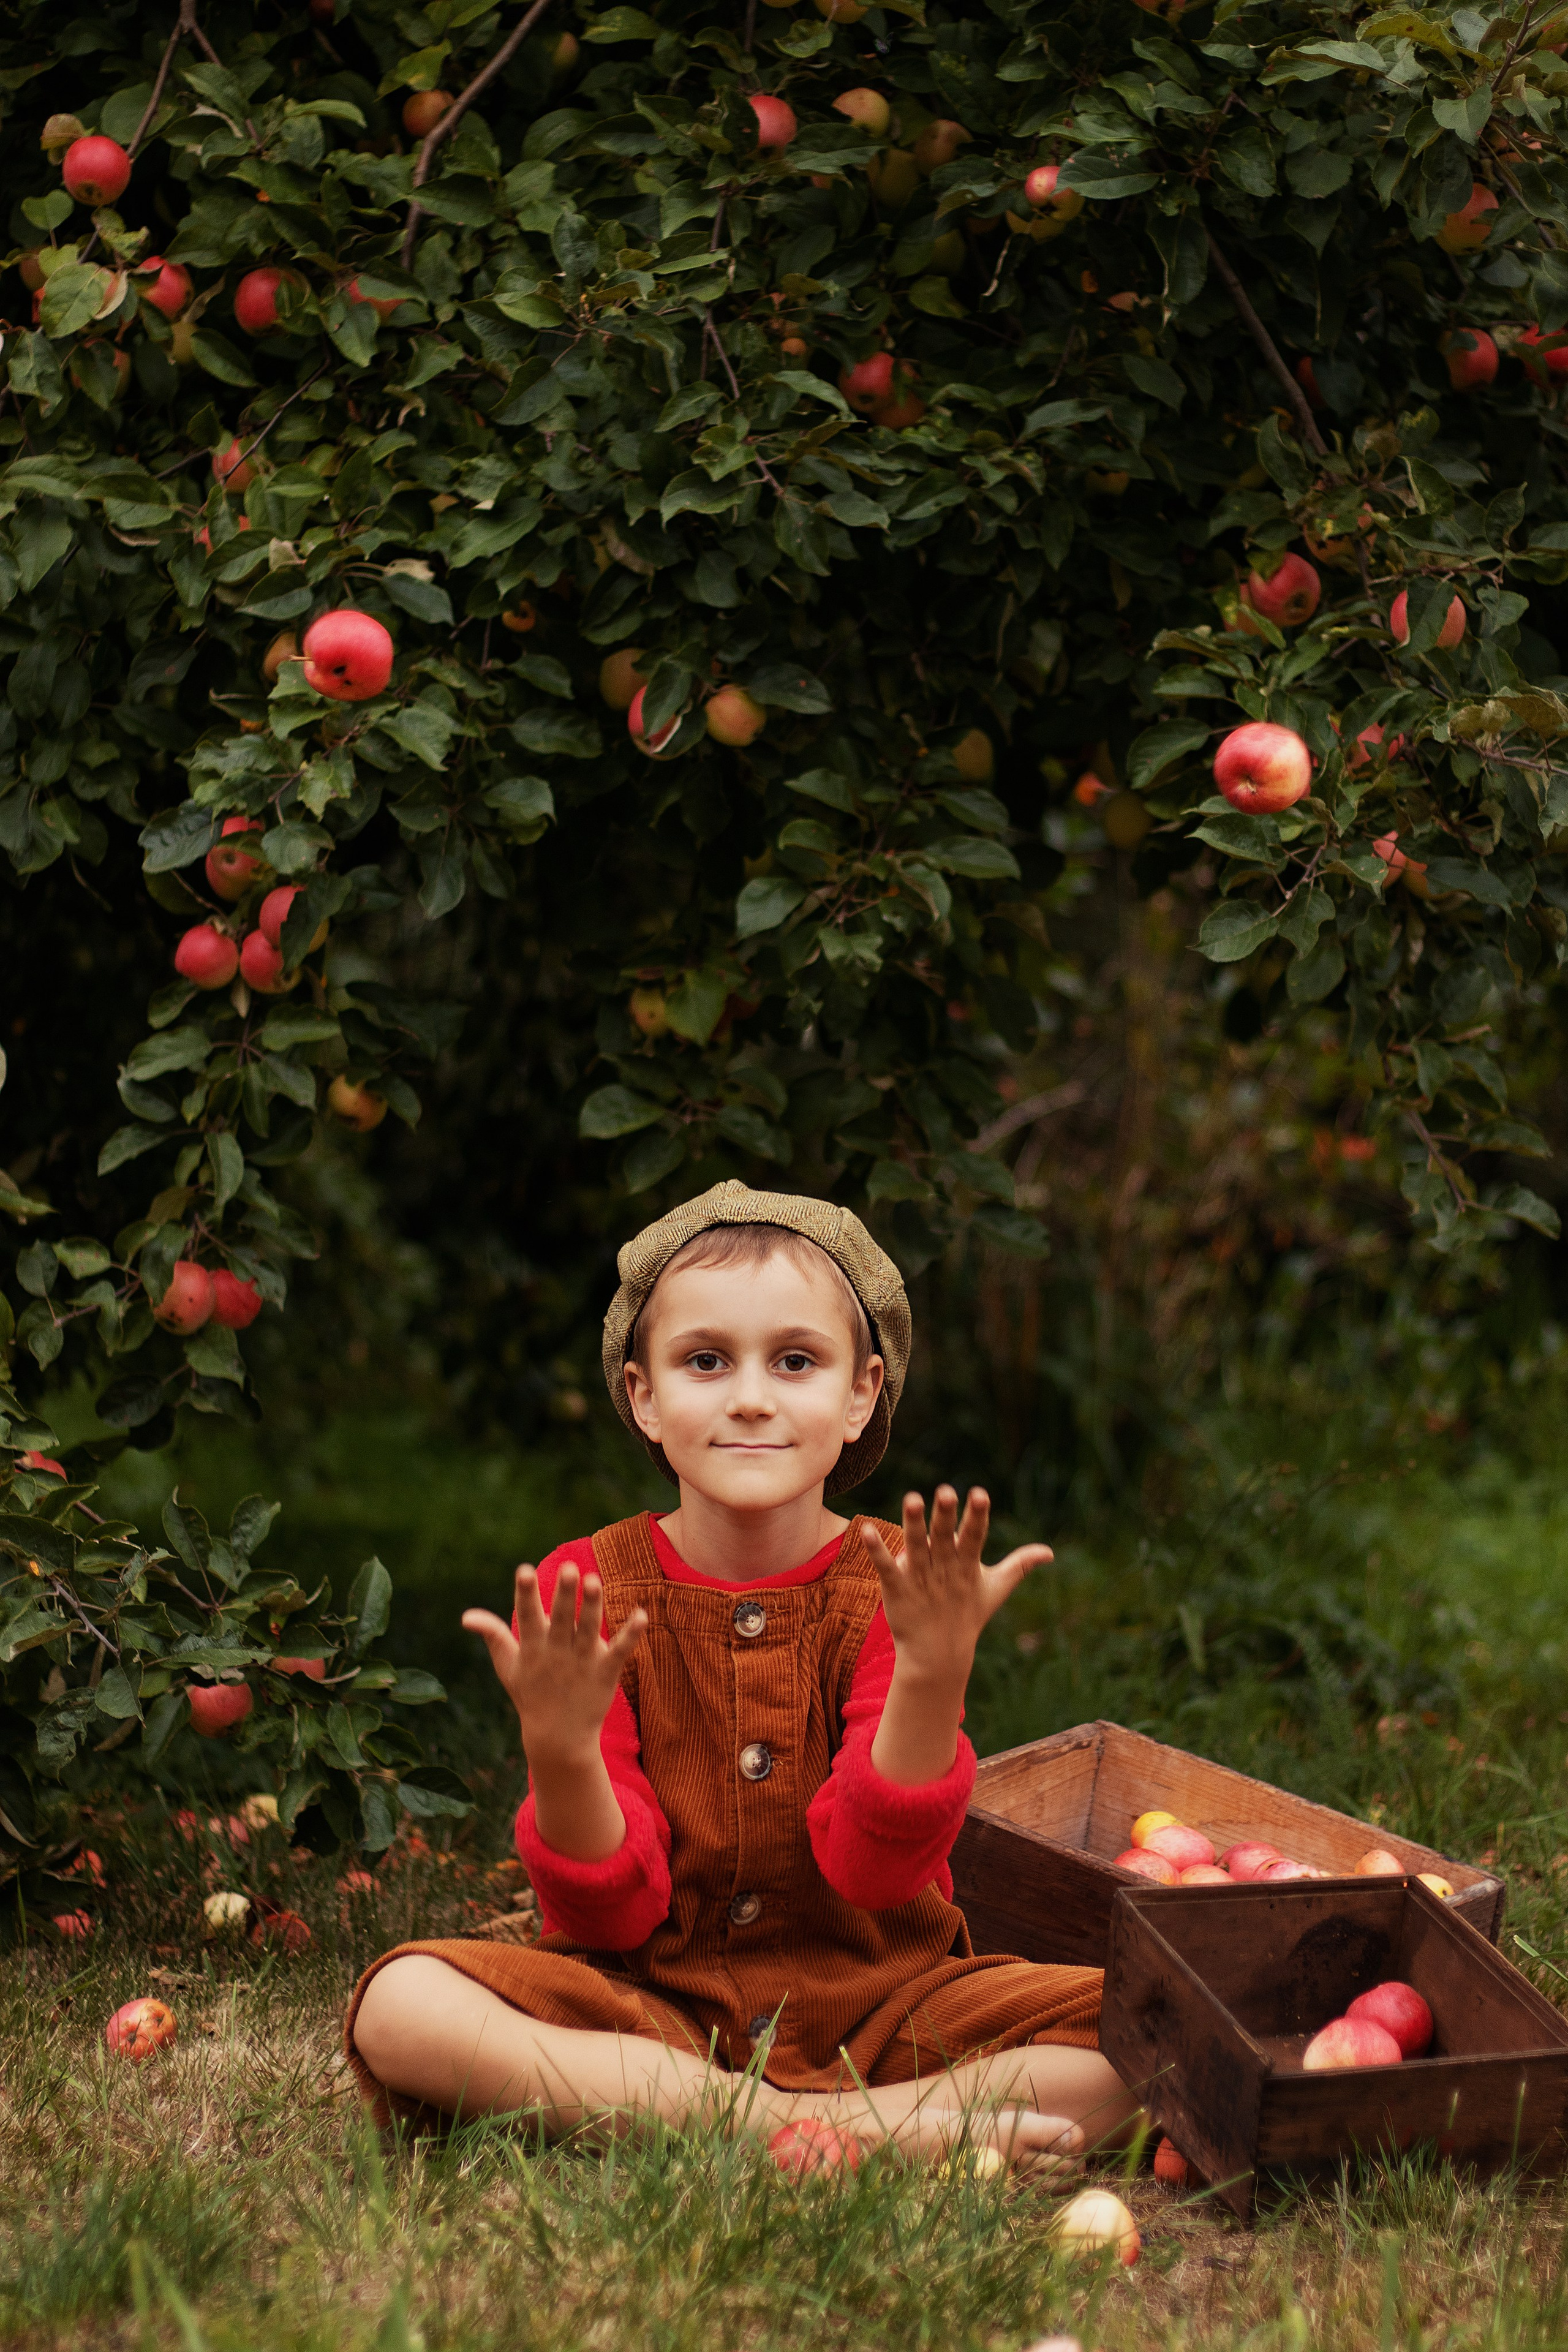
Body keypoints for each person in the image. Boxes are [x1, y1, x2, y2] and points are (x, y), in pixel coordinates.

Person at [349, 1180, 1140, 2165]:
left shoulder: (895, 1586)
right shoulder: (588, 1588)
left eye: (797, 1361)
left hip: (889, 2007)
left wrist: (933, 1677)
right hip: (650, 2006)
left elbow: (875, 1867)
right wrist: (560, 1753)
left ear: (862, 1395)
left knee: (1155, 2037)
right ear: (643, 1393)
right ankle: (856, 2136)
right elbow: (609, 1911)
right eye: (706, 1360)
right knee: (399, 2005)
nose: (752, 1396)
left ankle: (755, 2128)